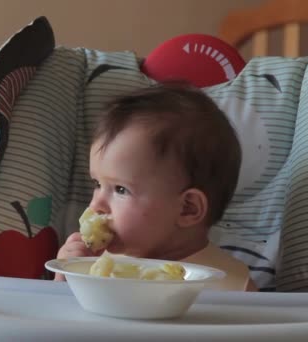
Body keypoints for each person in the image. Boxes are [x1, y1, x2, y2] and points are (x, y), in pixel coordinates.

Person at [56, 82, 254, 290]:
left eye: (120, 189)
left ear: (188, 208)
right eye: (97, 184)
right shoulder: (94, 266)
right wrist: (65, 278)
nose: (96, 206)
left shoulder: (233, 288)